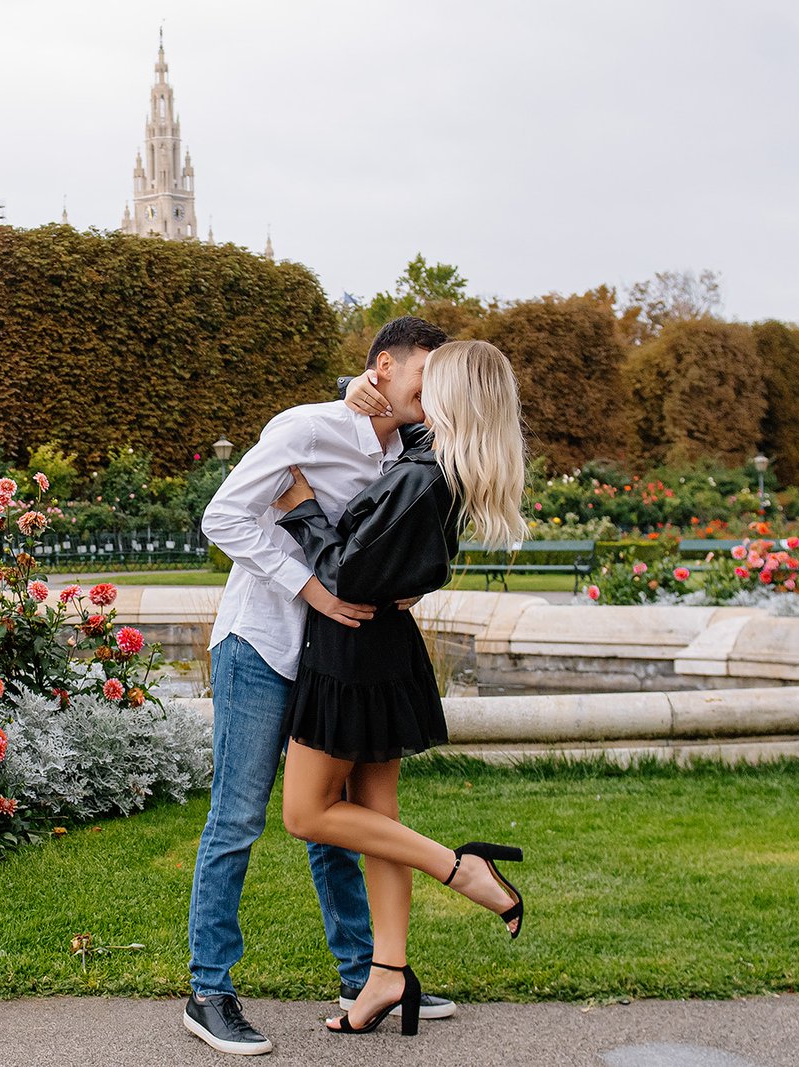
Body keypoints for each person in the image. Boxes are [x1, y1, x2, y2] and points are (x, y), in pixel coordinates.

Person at [185, 317, 456, 1056]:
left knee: (332, 822)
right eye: (424, 381)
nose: (434, 398)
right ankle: (208, 988)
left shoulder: (411, 448)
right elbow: (224, 516)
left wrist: (406, 587)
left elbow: (389, 547)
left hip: (333, 660)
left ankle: (364, 975)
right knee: (238, 818)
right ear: (382, 368)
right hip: (261, 642)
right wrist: (310, 587)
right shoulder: (304, 429)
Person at [272, 338, 528, 1038]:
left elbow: (346, 574)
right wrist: (356, 383)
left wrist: (299, 505)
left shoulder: (423, 476)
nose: (418, 390)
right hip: (379, 650)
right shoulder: (440, 456)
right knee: (377, 815)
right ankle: (388, 973)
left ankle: (463, 867)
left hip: (351, 651)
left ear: (451, 398)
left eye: (431, 382)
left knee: (305, 813)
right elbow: (390, 416)